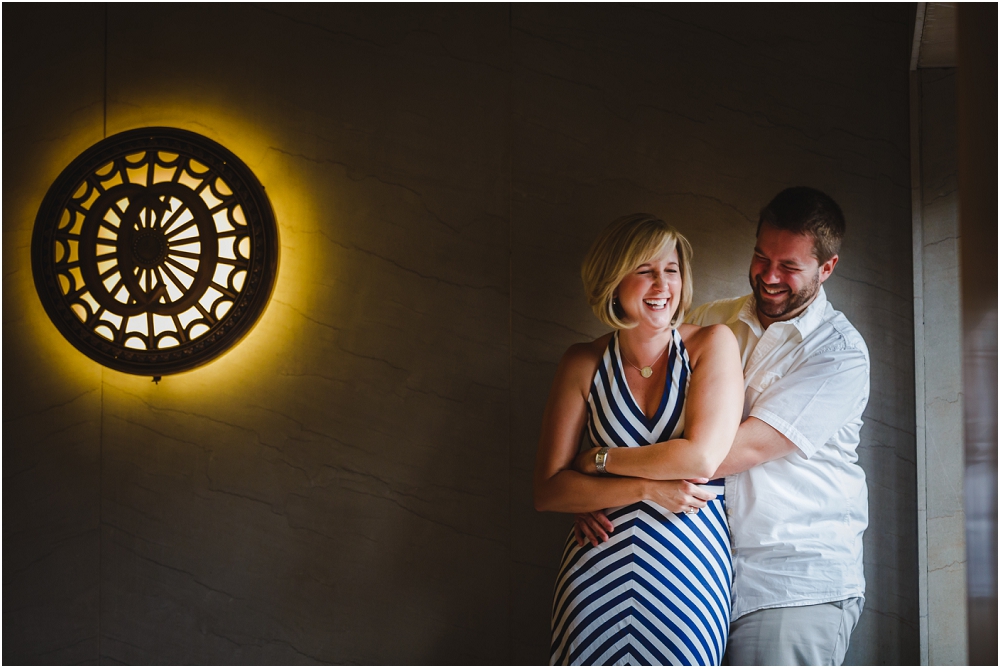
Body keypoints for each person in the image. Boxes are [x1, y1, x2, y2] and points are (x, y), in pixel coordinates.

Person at [576, 187, 870, 666]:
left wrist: (600, 468)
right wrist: (587, 494)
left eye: (789, 267)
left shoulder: (838, 354)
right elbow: (643, 417)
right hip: (701, 570)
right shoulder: (712, 321)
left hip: (791, 582)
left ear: (827, 268)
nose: (769, 276)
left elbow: (719, 454)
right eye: (761, 257)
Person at [534, 213, 744, 666]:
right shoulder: (582, 362)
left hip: (688, 576)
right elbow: (549, 491)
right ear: (613, 280)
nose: (662, 284)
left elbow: (702, 458)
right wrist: (645, 488)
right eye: (645, 270)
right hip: (594, 575)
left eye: (671, 270)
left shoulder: (712, 344)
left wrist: (597, 462)